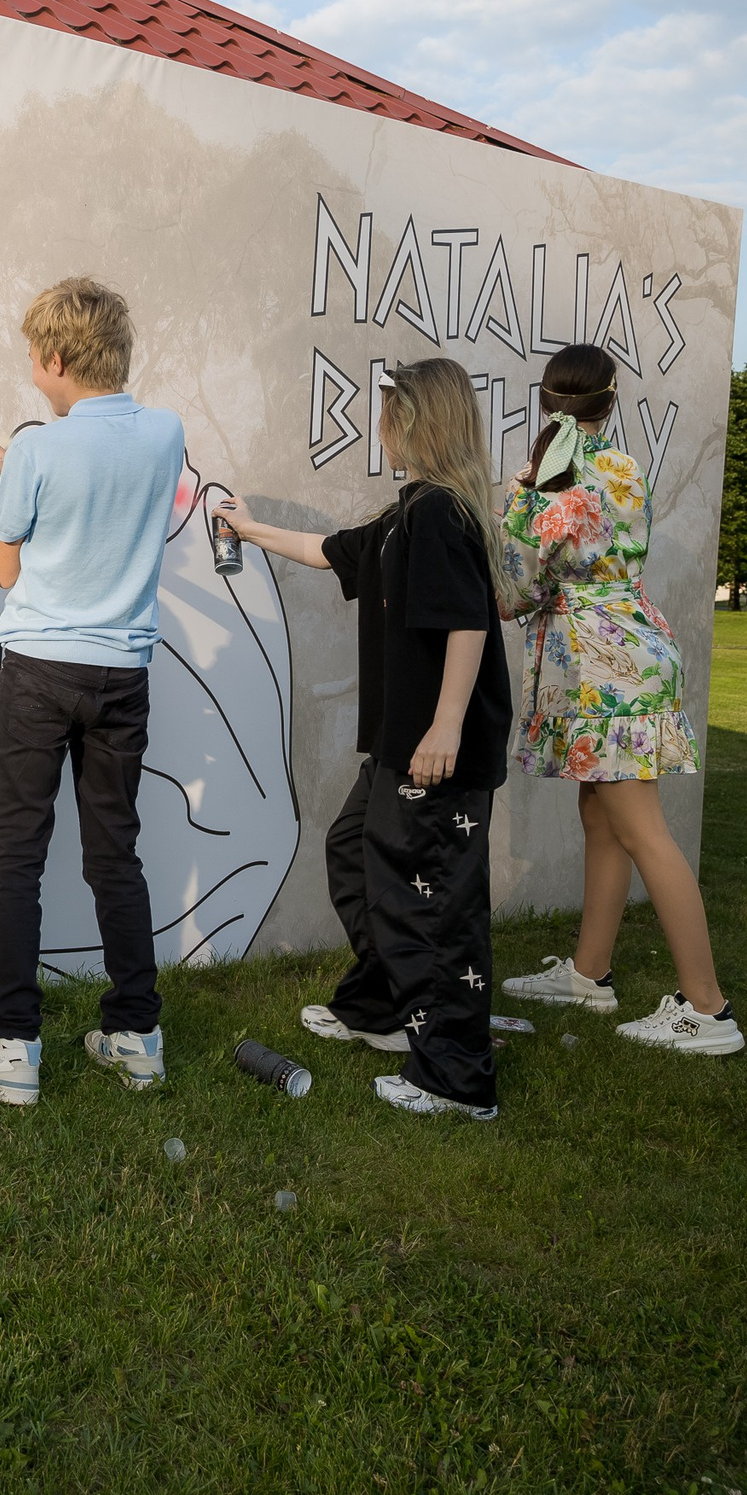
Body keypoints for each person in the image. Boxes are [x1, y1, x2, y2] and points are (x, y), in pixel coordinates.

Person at [218, 356, 514, 1120]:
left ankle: (455, 1075)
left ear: (415, 421)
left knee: (430, 900)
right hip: (399, 742)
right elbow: (329, 551)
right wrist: (249, 529)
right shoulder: (406, 513)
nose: (378, 427)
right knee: (355, 850)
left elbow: (468, 622)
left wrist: (446, 724)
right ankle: (384, 1007)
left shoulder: (441, 514)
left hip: (434, 747)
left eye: (388, 413)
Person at [0, 278, 184, 1107]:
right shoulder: (166, 433)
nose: (32, 376)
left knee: (16, 854)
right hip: (125, 671)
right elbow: (109, 493)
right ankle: (138, 1035)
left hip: (42, 667)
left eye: (33, 362)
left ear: (55, 358)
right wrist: (26, 482)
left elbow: (9, 569)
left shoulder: (39, 449)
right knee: (114, 850)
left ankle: (12, 1046)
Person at [496, 345, 743, 1053]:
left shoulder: (545, 482)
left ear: (543, 401)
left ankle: (708, 1009)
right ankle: (588, 973)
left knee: (640, 829)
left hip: (597, 667)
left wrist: (517, 502)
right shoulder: (623, 468)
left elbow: (517, 588)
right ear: (610, 401)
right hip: (630, 649)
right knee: (602, 817)